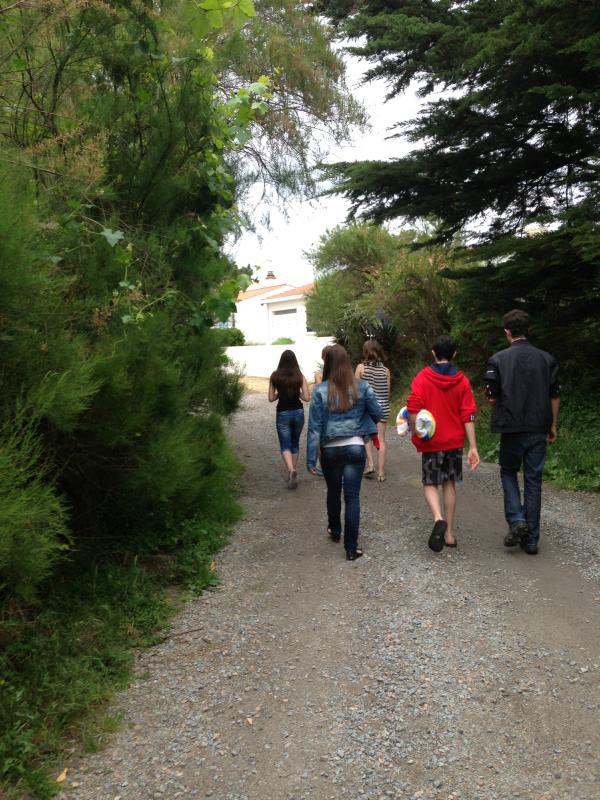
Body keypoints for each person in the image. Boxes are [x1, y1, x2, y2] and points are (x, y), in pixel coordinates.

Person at [485, 309, 560, 555]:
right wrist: (553, 424)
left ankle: (517, 519)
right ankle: (531, 540)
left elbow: (492, 398)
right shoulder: (547, 359)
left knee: (508, 471)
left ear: (507, 332)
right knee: (533, 479)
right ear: (529, 330)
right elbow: (555, 394)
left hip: (511, 427)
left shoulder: (497, 360)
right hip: (539, 425)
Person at [307, 344, 383, 560]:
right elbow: (378, 413)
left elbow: (314, 427)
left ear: (327, 364)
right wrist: (363, 416)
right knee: (352, 497)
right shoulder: (363, 387)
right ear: (347, 362)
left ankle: (334, 529)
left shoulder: (320, 390)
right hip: (356, 447)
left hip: (329, 450)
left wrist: (311, 459)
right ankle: (351, 548)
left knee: (333, 491)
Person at [407, 335, 480, 551]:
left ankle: (439, 518)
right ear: (454, 354)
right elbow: (468, 414)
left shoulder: (422, 377)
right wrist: (473, 446)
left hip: (432, 442)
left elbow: (413, 407)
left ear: (433, 353)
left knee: (430, 483)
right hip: (454, 442)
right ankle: (449, 534)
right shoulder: (462, 380)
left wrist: (416, 431)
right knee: (449, 484)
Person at [269, 350, 310, 489]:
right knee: (295, 443)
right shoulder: (300, 376)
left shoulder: (275, 376)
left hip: (283, 413)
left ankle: (291, 470)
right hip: (298, 412)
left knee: (285, 444)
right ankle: (292, 471)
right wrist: (297, 393)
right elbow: (307, 397)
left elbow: (270, 398)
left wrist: (280, 394)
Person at [355, 340, 391, 481]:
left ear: (365, 352)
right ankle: (381, 473)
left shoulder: (360, 368)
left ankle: (370, 465)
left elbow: (356, 391)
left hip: (367, 408)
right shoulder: (386, 370)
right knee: (381, 439)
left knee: (367, 437)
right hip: (383, 408)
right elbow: (387, 393)